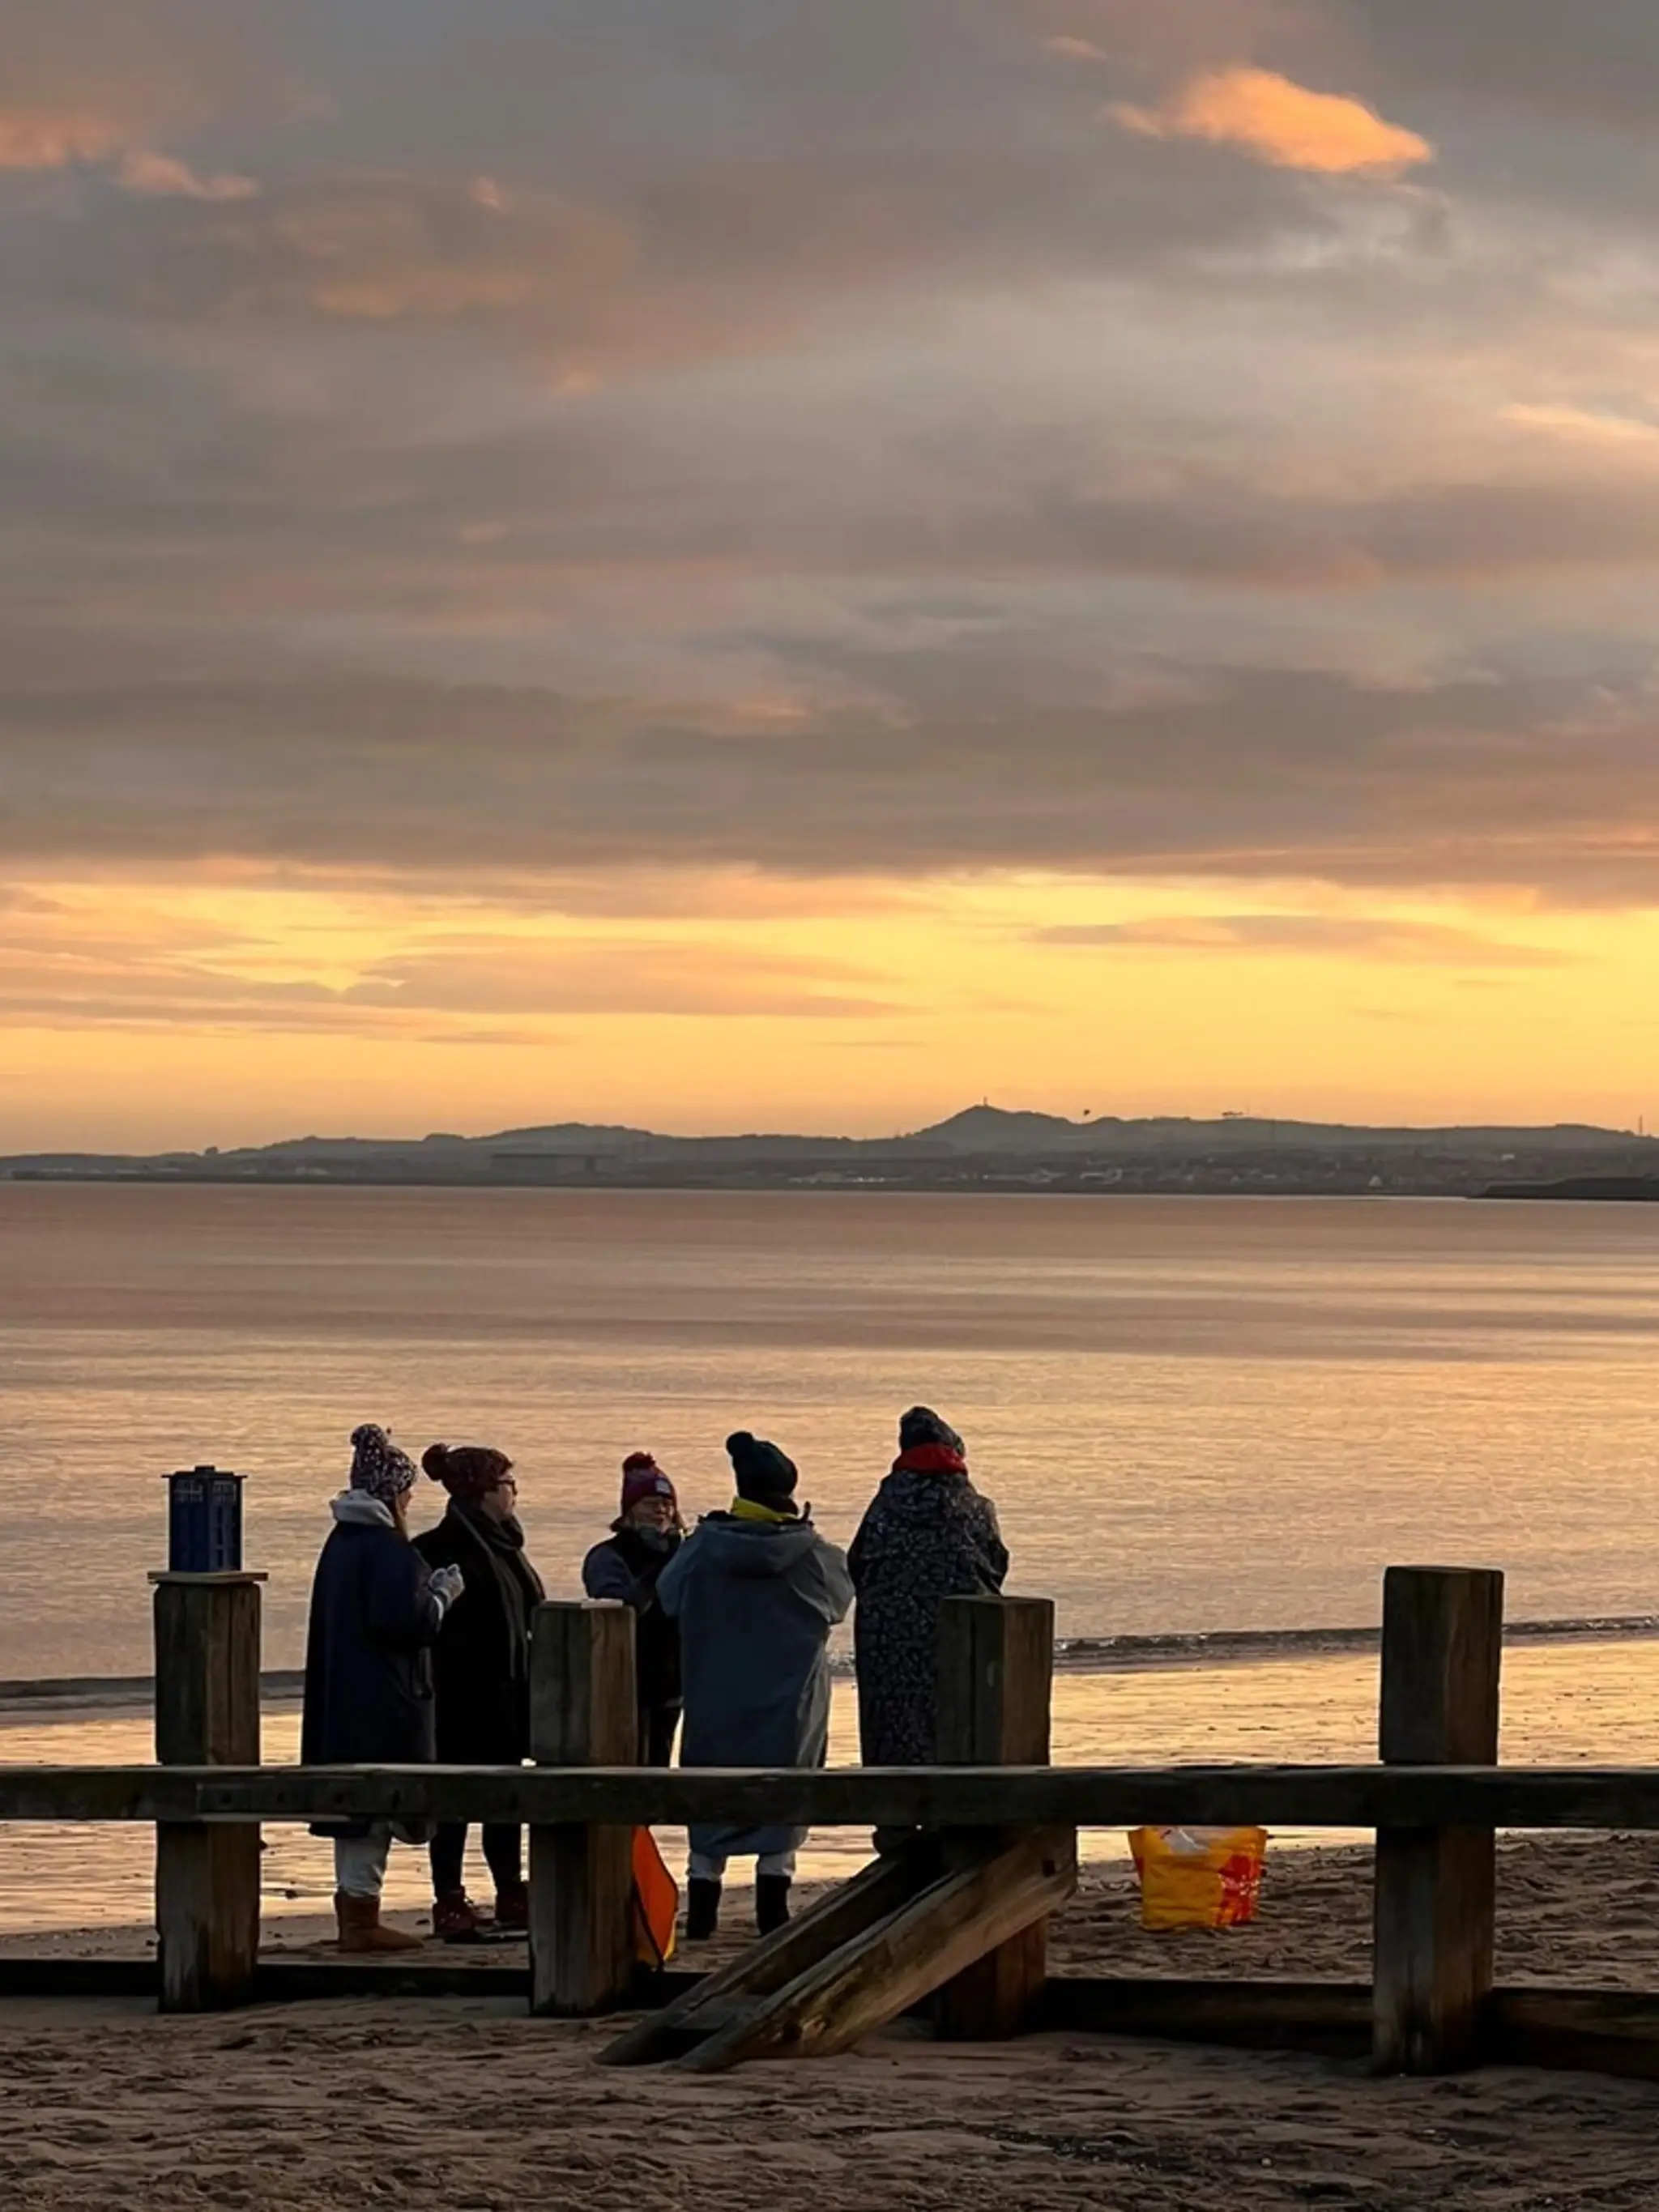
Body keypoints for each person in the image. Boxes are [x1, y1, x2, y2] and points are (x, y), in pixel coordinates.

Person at [658, 1430, 852, 1940]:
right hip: (790, 1704)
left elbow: (668, 1595)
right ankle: (772, 1911)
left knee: (710, 1795)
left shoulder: (702, 1549)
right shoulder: (812, 1554)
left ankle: (701, 1910)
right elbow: (839, 1599)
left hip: (714, 1697)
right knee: (783, 1797)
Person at [301, 1422, 463, 1953]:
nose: (411, 1500)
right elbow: (406, 1624)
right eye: (408, 1491)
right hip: (384, 1700)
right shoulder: (388, 1549)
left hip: (341, 1697)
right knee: (375, 1807)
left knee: (355, 1813)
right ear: (393, 1493)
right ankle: (361, 1920)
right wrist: (441, 1594)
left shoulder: (341, 1543)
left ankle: (355, 1913)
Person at [414, 1441, 546, 1940]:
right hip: (458, 1695)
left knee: (506, 1798)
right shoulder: (437, 1548)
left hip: (509, 1693)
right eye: (508, 1484)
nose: (514, 1493)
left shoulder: (506, 1544)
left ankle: (510, 1889)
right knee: (454, 1801)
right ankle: (449, 1896)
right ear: (485, 1491)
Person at [849, 1406, 1008, 1808]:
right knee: (955, 1734)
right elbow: (996, 1564)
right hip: (959, 1640)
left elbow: (859, 1563)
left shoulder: (884, 1507)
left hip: (889, 1643)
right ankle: (955, 1814)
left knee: (896, 1733)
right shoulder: (975, 1508)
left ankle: (894, 1821)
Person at [582, 1451, 684, 1767]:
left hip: (672, 1685)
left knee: (659, 1765)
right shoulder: (607, 1556)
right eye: (651, 1503)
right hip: (622, 1686)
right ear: (629, 1511)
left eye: (667, 1504)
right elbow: (619, 1608)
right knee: (623, 1767)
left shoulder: (684, 1553)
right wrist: (661, 1568)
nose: (661, 1510)